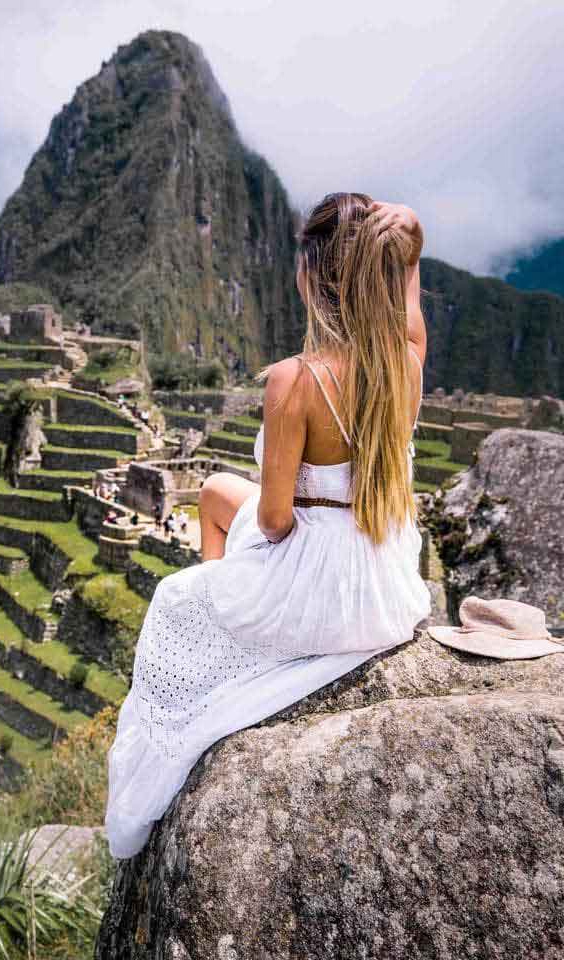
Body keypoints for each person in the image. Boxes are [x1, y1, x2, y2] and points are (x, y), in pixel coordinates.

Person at [105, 194, 432, 859]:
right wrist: (410, 253)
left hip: (315, 594)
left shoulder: (295, 381)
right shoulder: (405, 361)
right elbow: (411, 318)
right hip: (384, 590)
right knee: (222, 490)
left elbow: (278, 519)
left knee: (178, 594)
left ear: (313, 274)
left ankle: (231, 657)